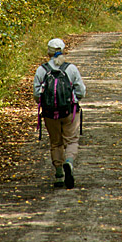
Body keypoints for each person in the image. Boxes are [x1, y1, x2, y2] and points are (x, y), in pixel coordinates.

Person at [33, 38, 86, 189]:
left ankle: (58, 174)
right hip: (69, 111)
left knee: (55, 142)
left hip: (50, 113)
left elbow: (37, 94)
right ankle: (68, 162)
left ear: (48, 52)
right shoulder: (71, 69)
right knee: (71, 140)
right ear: (63, 50)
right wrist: (75, 99)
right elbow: (80, 90)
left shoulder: (41, 70)